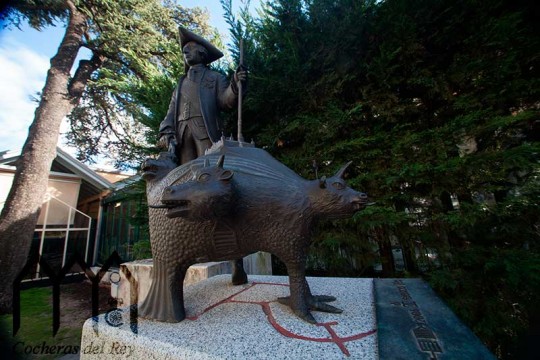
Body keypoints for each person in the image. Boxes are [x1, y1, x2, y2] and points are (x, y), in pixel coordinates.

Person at [158, 27, 247, 164]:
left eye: (190, 48)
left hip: (205, 129)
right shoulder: (180, 84)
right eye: (184, 50)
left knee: (208, 166)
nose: (185, 51)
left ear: (202, 52)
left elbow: (225, 101)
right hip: (182, 134)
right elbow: (171, 112)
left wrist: (235, 84)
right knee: (185, 173)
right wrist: (166, 131)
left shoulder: (215, 77)